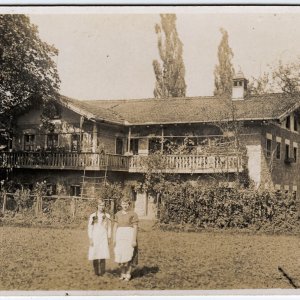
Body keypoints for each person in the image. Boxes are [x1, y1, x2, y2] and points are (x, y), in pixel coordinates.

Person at [113, 198, 139, 281]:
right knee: (120, 254)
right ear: (121, 204)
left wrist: (134, 239)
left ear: (129, 205)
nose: (125, 205)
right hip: (119, 236)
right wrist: (114, 238)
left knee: (128, 255)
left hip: (129, 235)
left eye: (127, 204)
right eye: (123, 204)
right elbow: (115, 227)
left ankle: (128, 273)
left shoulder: (133, 214)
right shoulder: (117, 214)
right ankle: (122, 273)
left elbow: (135, 227)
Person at [88, 199, 111, 276]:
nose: (102, 207)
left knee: (103, 253)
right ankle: (96, 272)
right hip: (95, 237)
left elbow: (109, 228)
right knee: (95, 253)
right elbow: (90, 228)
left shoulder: (107, 216)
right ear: (97, 206)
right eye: (100, 205)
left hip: (103, 237)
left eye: (103, 205)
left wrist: (109, 237)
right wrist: (91, 238)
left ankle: (102, 272)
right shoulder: (93, 216)